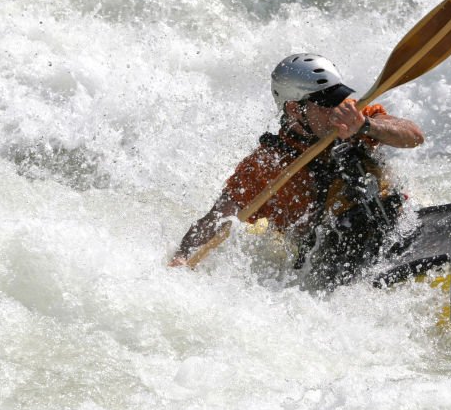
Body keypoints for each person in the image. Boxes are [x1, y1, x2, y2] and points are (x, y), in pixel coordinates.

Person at [169, 53, 425, 286]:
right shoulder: (266, 166)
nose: (338, 107)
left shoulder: (354, 116)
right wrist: (181, 257)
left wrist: (366, 126)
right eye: (326, 102)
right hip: (333, 260)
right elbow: (217, 218)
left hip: (397, 227)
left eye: (339, 96)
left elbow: (414, 136)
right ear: (294, 109)